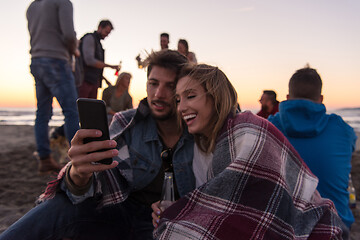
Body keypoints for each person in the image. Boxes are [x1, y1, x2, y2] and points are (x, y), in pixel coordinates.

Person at [0, 50, 195, 240]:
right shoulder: (126, 123)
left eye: (170, 86)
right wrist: (78, 173)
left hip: (161, 224)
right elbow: (95, 185)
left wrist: (179, 208)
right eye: (153, 83)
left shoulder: (199, 132)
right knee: (62, 203)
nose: (159, 94)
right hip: (114, 212)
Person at [152, 64, 348, 239]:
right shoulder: (208, 142)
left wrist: (177, 218)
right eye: (178, 100)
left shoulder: (245, 131)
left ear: (216, 97)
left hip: (317, 229)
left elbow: (246, 220)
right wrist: (178, 210)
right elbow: (225, 209)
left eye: (191, 96)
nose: (181, 108)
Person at [268, 67, 357, 229]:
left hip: (284, 226)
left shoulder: (270, 127)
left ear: (287, 98)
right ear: (321, 98)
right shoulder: (344, 130)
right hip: (335, 225)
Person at [26, 0, 79, 175]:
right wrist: (75, 51)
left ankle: (45, 158)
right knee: (71, 111)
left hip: (37, 60)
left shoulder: (32, 6)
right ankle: (77, 159)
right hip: (56, 60)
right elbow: (69, 36)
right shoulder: (62, 2)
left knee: (42, 114)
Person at [78, 20, 120, 99]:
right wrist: (111, 66)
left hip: (94, 82)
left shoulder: (99, 44)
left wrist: (104, 79)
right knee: (81, 107)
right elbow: (89, 61)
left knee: (92, 108)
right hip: (84, 81)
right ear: (100, 27)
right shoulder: (89, 38)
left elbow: (95, 69)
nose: (107, 35)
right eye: (106, 32)